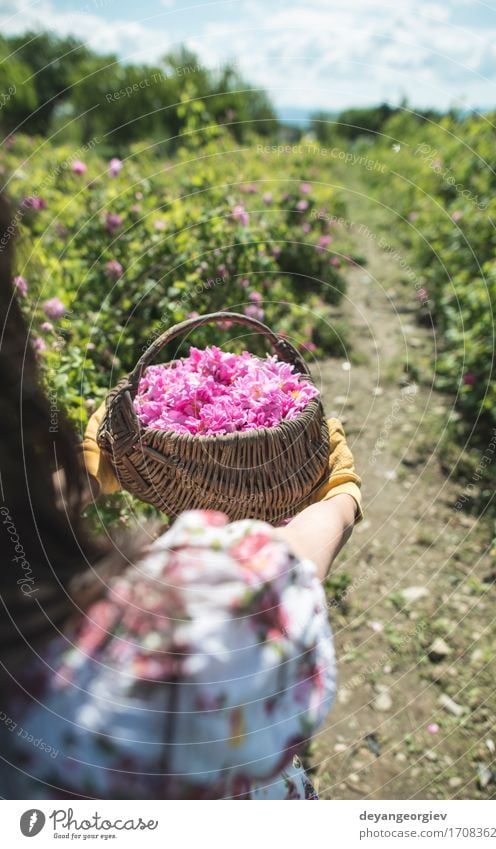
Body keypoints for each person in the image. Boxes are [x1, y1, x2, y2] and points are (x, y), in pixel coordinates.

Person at [0, 193, 363, 800]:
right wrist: (339, 494)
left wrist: (95, 465)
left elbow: (39, 510)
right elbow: (291, 561)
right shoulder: (198, 628)